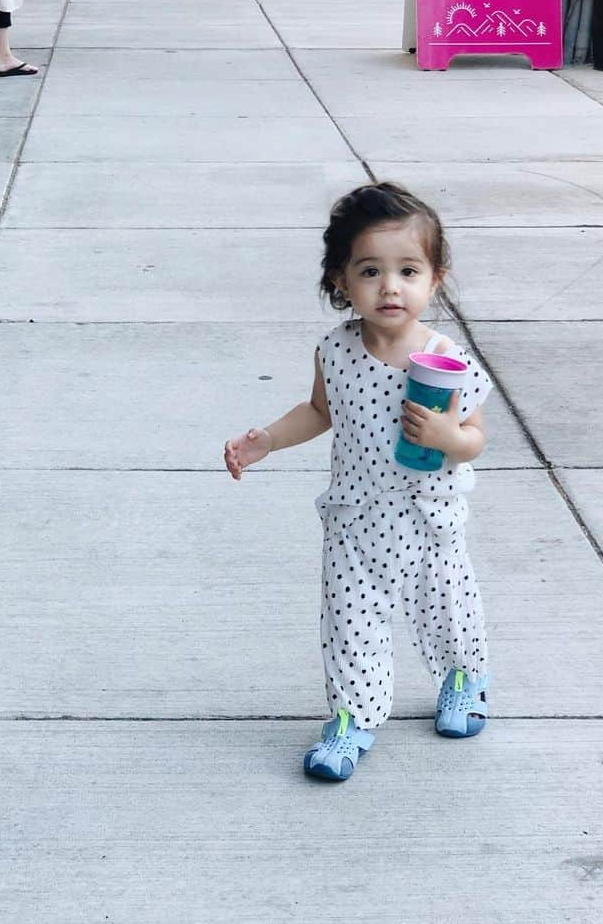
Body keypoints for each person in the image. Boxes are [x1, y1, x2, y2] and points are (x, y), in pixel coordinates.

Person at [223, 182, 493, 781]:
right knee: (350, 620)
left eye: (408, 270)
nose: (390, 286)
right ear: (341, 281)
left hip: (428, 513)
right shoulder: (335, 351)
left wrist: (451, 440)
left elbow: (475, 434)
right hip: (356, 516)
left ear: (435, 279)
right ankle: (352, 717)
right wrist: (265, 439)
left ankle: (463, 677)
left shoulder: (448, 361)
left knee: (445, 606)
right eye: (370, 270)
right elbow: (320, 412)